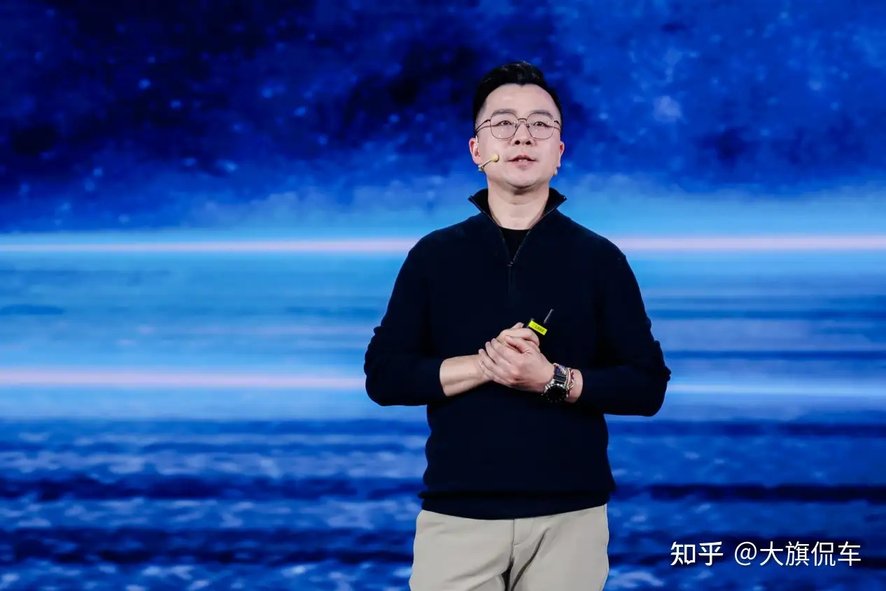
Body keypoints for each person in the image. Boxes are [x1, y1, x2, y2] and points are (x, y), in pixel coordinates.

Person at [364, 61, 671, 591]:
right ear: (476, 150)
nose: (523, 136)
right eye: (503, 123)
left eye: (541, 124)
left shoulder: (600, 259)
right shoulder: (433, 256)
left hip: (570, 518)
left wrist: (551, 379)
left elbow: (648, 385)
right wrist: (486, 366)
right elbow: (384, 376)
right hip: (457, 517)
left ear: (560, 152)